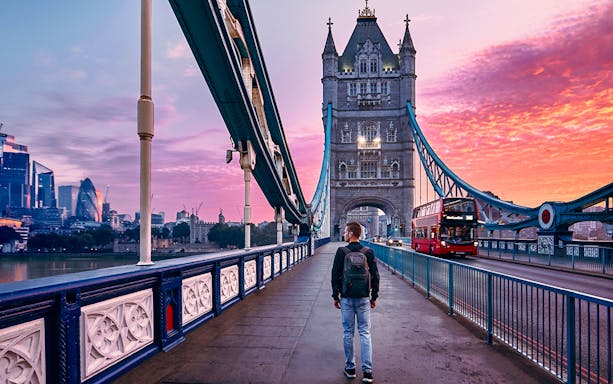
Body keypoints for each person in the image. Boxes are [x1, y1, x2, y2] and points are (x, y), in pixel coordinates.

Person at [331, 222, 380, 383]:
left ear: (351, 233)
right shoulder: (368, 252)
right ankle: (367, 372)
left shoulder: (341, 251)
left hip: (346, 297)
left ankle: (350, 368)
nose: (344, 234)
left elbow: (335, 275)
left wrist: (335, 296)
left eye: (346, 232)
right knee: (365, 333)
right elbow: (375, 276)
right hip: (364, 297)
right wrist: (374, 297)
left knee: (348, 333)